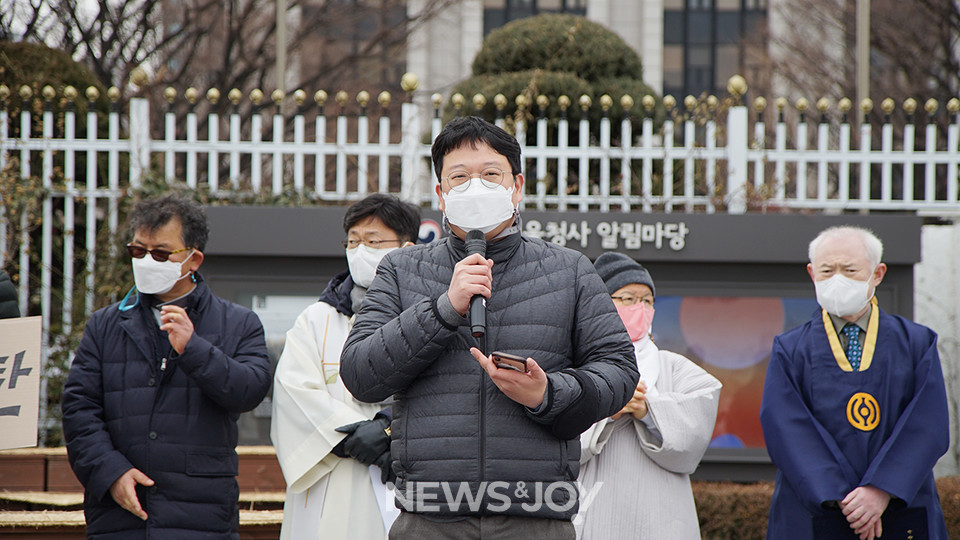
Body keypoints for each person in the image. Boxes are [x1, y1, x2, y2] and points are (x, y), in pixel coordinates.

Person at [339, 116, 639, 539]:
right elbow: (358, 374)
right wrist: (444, 309)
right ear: (441, 195)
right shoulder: (401, 270)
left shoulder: (570, 270)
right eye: (459, 178)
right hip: (429, 516)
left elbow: (619, 370)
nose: (474, 187)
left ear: (516, 187)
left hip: (535, 515)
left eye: (490, 174)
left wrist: (548, 394)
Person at [61, 195, 272, 539]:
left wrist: (194, 349)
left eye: (160, 253)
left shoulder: (239, 322)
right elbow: (78, 409)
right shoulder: (105, 324)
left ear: (193, 260)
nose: (146, 261)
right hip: (121, 515)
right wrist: (111, 472)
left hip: (201, 514)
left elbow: (249, 391)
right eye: (138, 251)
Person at [760, 225, 948, 540]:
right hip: (815, 508)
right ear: (811, 273)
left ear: (877, 273)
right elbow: (785, 428)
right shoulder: (790, 349)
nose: (837, 280)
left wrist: (881, 489)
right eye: (826, 270)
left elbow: (927, 425)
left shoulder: (916, 343)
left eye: (849, 270)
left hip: (900, 505)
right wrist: (842, 496)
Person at [271, 193, 421, 539]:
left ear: (406, 247)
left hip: (403, 474)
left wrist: (386, 429)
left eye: (372, 241)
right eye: (352, 241)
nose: (359, 250)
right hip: (333, 475)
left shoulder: (427, 316)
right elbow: (293, 394)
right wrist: (356, 437)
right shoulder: (317, 319)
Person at [576, 252, 722, 539]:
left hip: (660, 514)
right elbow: (552, 430)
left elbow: (699, 414)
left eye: (647, 301)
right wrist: (608, 409)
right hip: (592, 503)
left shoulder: (674, 366)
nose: (639, 307)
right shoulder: (575, 363)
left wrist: (648, 408)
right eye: (628, 298)